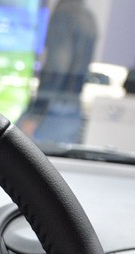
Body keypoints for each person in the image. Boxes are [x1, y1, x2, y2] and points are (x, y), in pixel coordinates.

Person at [20, 0, 97, 145]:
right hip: (73, 108)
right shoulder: (89, 17)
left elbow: (57, 67)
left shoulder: (64, 14)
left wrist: (36, 113)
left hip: (53, 110)